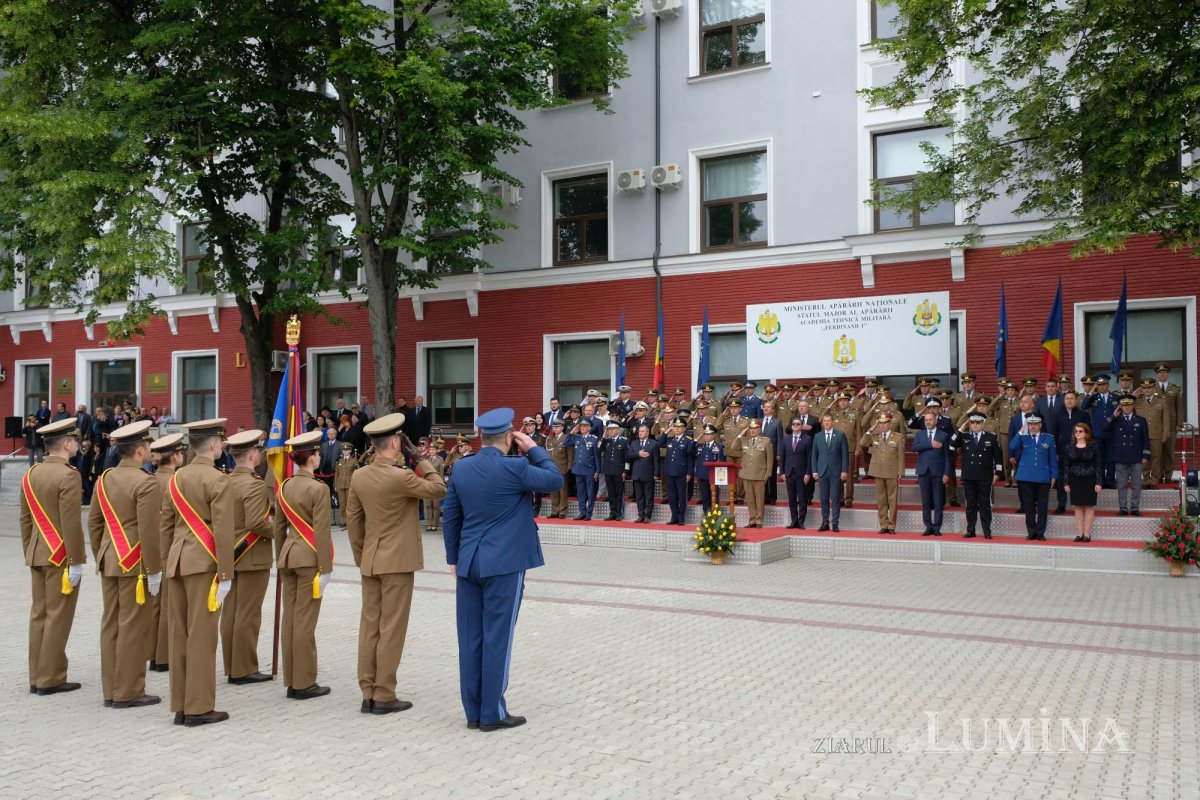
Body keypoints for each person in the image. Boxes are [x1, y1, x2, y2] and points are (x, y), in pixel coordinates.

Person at [442, 407, 563, 731]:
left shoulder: (462, 469)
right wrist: (534, 448)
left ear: (480, 437)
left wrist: (454, 557)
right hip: (504, 564)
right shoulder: (516, 467)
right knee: (497, 637)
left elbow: (450, 515)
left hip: (469, 562)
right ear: (510, 437)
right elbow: (554, 478)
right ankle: (491, 714)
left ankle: (473, 711)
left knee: (470, 639)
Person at [347, 413, 447, 715]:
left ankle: (367, 690)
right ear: (395, 443)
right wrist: (419, 457)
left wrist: (362, 554)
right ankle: (385, 694)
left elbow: (353, 520)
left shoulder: (359, 476)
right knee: (391, 628)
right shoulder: (401, 476)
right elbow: (438, 487)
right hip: (397, 563)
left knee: (370, 627)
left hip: (371, 560)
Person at [160, 418, 235, 727]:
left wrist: (167, 563)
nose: (223, 447)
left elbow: (165, 525)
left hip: (177, 562)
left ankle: (180, 704)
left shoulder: (175, 479)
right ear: (214, 445)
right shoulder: (218, 480)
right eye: (222, 443)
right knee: (202, 636)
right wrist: (227, 574)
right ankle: (199, 706)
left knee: (180, 635)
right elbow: (223, 530)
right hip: (204, 564)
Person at [88, 420, 163, 709]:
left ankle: (111, 689)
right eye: (148, 447)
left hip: (110, 558)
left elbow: (94, 523)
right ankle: (129, 691)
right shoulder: (146, 482)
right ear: (141, 450)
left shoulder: (104, 478)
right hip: (135, 562)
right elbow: (149, 531)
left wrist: (102, 553)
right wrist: (154, 569)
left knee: (111, 624)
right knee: (132, 626)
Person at [20, 417, 86, 696]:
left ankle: (37, 675)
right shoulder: (69, 475)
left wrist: (29, 550)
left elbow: (25, 520)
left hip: (37, 551)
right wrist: (77, 560)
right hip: (60, 555)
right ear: (68, 443)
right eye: (76, 441)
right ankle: (51, 678)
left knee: (39, 615)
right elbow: (71, 522)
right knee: (58, 617)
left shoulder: (31, 473)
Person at [276, 430, 334, 702]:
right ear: (311, 458)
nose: (320, 457)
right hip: (309, 558)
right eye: (318, 453)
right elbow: (321, 531)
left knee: (290, 619)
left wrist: (279, 558)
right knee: (305, 621)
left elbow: (279, 528)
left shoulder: (285, 485)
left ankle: (291, 679)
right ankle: (304, 682)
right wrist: (327, 568)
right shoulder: (318, 488)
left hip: (288, 555)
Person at [220, 429, 276, 687]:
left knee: (231, 612)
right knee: (248, 615)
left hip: (230, 553)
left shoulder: (225, 480)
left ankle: (232, 665)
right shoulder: (253, 485)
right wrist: (282, 530)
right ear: (253, 454)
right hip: (252, 555)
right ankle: (244, 669)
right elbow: (256, 523)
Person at [147, 433, 186, 672]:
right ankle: (164, 656)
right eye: (181, 452)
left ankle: (152, 652)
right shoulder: (177, 482)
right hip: (171, 547)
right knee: (170, 605)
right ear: (175, 456)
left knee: (155, 605)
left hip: (149, 548)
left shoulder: (149, 480)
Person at [952, 411, 1003, 539]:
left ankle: (987, 530)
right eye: (972, 422)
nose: (975, 425)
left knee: (985, 504)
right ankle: (971, 530)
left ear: (982, 423)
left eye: (977, 422)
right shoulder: (964, 436)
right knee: (970, 505)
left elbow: (998, 457)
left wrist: (998, 472)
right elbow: (951, 444)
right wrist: (961, 428)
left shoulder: (991, 437)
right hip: (969, 476)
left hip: (985, 476)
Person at [1010, 414, 1058, 540]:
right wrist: (1021, 430)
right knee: (1029, 506)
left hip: (1043, 477)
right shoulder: (1023, 438)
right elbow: (1012, 446)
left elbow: (1052, 459)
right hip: (1026, 477)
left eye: (1035, 424)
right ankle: (1031, 532)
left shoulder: (1049, 439)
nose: (1033, 427)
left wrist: (1054, 476)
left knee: (1042, 507)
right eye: (1030, 424)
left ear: (1040, 425)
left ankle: (1041, 532)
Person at [860, 412, 904, 534]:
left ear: (890, 424)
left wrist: (901, 471)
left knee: (892, 499)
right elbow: (863, 443)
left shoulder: (897, 437)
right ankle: (883, 524)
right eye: (881, 423)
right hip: (878, 471)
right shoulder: (875, 436)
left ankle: (892, 525)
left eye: (885, 423)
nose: (883, 426)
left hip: (892, 471)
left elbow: (900, 455)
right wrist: (871, 429)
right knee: (881, 499)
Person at [913, 404, 951, 536]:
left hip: (938, 472)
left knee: (938, 501)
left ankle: (937, 527)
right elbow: (914, 447)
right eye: (926, 420)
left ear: (936, 421)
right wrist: (930, 444)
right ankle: (928, 525)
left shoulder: (944, 435)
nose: (928, 422)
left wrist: (947, 473)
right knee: (926, 501)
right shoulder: (920, 434)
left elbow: (947, 456)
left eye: (930, 419)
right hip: (923, 471)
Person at [1062, 422, 1103, 542]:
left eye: (1081, 431)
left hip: (1090, 478)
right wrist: (1066, 483)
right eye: (1076, 431)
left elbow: (1099, 464)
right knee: (1078, 506)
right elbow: (1066, 466)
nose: (1078, 433)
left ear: (1086, 433)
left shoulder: (1094, 445)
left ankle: (1087, 534)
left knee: (1089, 506)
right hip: (1074, 479)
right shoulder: (1069, 446)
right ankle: (1079, 534)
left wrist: (1099, 482)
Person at [1110, 396, 1150, 516]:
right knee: (1121, 484)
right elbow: (1105, 429)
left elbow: (1145, 439)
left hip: (1136, 456)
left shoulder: (1141, 420)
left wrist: (1145, 455)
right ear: (1120, 407)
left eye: (1129, 405)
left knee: (1136, 484)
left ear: (1133, 406)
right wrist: (1113, 416)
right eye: (1124, 405)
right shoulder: (1116, 420)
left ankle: (1134, 507)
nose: (1127, 407)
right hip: (1121, 455)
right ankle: (1123, 507)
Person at [809, 412, 848, 532]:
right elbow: (814, 455)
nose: (826, 423)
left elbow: (845, 455)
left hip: (836, 472)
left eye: (828, 420)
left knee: (835, 498)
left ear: (833, 421)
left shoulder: (840, 435)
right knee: (824, 498)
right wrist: (814, 470)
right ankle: (825, 522)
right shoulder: (818, 436)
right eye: (824, 421)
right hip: (822, 471)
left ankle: (835, 523)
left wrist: (844, 470)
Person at [1081, 374, 1117, 487]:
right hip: (1098, 433)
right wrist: (1092, 390)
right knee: (1099, 458)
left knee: (1111, 458)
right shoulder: (1094, 397)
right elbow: (1084, 405)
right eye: (1099, 385)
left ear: (1108, 384)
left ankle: (1110, 480)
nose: (1102, 387)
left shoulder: (1115, 397)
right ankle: (1100, 480)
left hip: (1111, 432)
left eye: (1104, 384)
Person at [658, 419, 696, 526]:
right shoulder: (670, 440)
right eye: (675, 426)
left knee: (681, 496)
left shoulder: (688, 441)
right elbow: (658, 445)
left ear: (684, 429)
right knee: (672, 496)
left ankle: (681, 517)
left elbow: (690, 458)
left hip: (681, 472)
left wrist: (689, 473)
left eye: (679, 427)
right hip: (669, 471)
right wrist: (666, 431)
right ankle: (674, 516)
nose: (676, 429)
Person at [1136, 378, 1169, 489]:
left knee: (1156, 459)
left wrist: (1165, 434)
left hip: (1156, 435)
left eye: (1149, 388)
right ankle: (1145, 480)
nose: (1147, 390)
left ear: (1154, 388)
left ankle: (1154, 480)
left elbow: (1166, 420)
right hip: (1142, 436)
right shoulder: (1138, 401)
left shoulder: (1161, 401)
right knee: (1144, 459)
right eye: (1144, 388)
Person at [738, 419, 773, 528]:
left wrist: (768, 473)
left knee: (759, 498)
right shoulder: (744, 440)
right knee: (750, 498)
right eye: (751, 428)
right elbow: (733, 447)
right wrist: (741, 434)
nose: (753, 431)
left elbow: (770, 459)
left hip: (759, 474)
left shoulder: (765, 441)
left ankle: (759, 520)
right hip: (746, 473)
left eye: (755, 428)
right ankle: (752, 519)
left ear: (759, 429)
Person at [781, 416, 814, 529]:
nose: (796, 426)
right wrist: (782, 472)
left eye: (798, 424)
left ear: (801, 426)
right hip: (789, 472)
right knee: (791, 499)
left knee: (802, 499)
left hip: (802, 473)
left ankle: (801, 521)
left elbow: (810, 458)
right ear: (791, 426)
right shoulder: (786, 439)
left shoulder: (807, 439)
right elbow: (783, 457)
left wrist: (808, 473)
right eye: (794, 424)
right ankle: (793, 520)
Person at [565, 418, 600, 520]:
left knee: (590, 492)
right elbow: (566, 443)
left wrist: (597, 471)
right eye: (581, 426)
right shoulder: (577, 438)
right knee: (581, 493)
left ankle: (589, 513)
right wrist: (572, 432)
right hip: (578, 469)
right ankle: (582, 512)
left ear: (589, 428)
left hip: (589, 470)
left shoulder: (594, 439)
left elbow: (596, 456)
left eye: (585, 426)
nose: (582, 428)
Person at [1154, 362, 1184, 481]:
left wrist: (1179, 424)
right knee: (1158, 453)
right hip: (1157, 425)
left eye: (1164, 372)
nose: (1162, 374)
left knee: (1169, 452)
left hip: (1171, 426)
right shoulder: (1152, 388)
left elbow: (1179, 407)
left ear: (1168, 374)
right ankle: (1159, 475)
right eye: (1160, 372)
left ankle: (1168, 475)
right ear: (1157, 375)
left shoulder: (1175, 389)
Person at [626, 423, 659, 523]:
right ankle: (641, 515)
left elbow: (656, 460)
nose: (640, 433)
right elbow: (628, 455)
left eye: (642, 431)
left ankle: (648, 516)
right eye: (639, 431)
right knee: (639, 496)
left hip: (648, 474)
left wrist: (656, 474)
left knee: (648, 496)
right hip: (636, 473)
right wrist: (638, 454)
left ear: (648, 433)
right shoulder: (634, 443)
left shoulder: (653, 443)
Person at [598, 421, 630, 521]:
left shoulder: (623, 441)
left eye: (613, 429)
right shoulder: (606, 441)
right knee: (611, 493)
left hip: (619, 471)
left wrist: (625, 471)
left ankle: (619, 513)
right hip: (608, 470)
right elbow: (598, 449)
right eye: (609, 429)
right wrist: (603, 437)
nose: (611, 431)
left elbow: (627, 458)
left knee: (619, 493)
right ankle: (612, 512)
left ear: (617, 430)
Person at [693, 424, 726, 514]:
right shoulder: (699, 446)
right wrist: (696, 439)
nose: (706, 436)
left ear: (713, 435)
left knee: (714, 498)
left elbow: (722, 464)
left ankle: (715, 517)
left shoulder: (719, 447)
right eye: (705, 434)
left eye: (709, 434)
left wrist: (720, 480)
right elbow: (690, 451)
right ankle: (706, 517)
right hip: (702, 476)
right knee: (705, 498)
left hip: (714, 477)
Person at [542, 420, 571, 518]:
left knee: (563, 491)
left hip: (562, 466)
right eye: (554, 427)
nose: (556, 429)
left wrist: (569, 466)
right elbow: (546, 450)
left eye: (558, 427)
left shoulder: (566, 437)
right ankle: (554, 511)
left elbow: (570, 453)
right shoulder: (550, 438)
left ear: (562, 428)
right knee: (553, 490)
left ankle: (562, 511)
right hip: (551, 468)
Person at [759, 400, 783, 505]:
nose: (766, 409)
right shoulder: (759, 421)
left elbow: (779, 439)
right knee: (761, 475)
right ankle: (765, 497)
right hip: (760, 453)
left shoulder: (777, 422)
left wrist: (779, 453)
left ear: (773, 410)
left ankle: (773, 497)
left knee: (772, 476)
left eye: (768, 407)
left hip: (772, 453)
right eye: (765, 407)